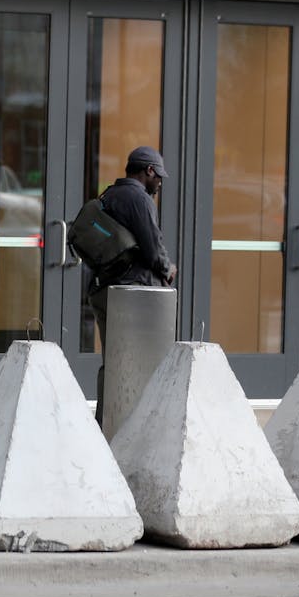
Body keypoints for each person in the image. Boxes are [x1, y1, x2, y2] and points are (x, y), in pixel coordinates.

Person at [90, 145, 177, 423]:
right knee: (143, 363)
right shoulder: (139, 199)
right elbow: (153, 249)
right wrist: (168, 269)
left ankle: (105, 424)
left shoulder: (109, 195)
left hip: (104, 290)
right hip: (134, 295)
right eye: (158, 176)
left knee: (113, 361)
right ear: (148, 171)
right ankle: (135, 427)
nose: (160, 183)